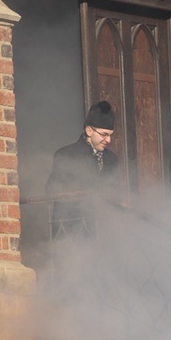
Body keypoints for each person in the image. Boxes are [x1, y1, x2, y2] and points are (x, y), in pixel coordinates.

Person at [45, 100, 119, 238]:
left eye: (110, 135)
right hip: (73, 234)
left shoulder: (112, 159)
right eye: (104, 135)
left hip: (106, 235)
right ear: (89, 130)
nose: (108, 140)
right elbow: (53, 191)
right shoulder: (66, 155)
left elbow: (116, 192)